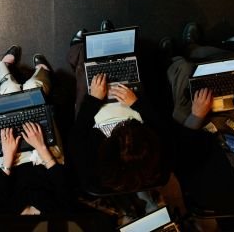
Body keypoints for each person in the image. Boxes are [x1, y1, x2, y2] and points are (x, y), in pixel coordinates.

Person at [67, 22, 171, 220]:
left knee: (85, 76)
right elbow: (162, 125)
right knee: (136, 79)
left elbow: (77, 132)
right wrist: (137, 103)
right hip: (131, 106)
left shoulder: (91, 168)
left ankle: (79, 49)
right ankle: (116, 49)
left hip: (96, 112)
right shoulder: (160, 163)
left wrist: (93, 100)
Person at [162, 22, 234, 215]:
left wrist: (197, 116)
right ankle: (194, 49)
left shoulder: (211, 189)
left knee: (185, 72)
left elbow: (182, 156)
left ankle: (174, 59)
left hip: (196, 132)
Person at [0, 46, 73, 215]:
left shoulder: (6, 219)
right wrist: (41, 147)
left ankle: (4, 69)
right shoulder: (56, 215)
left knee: (10, 92)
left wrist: (7, 158)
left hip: (12, 162)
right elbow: (64, 184)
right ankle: (43, 73)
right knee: (33, 88)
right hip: (46, 159)